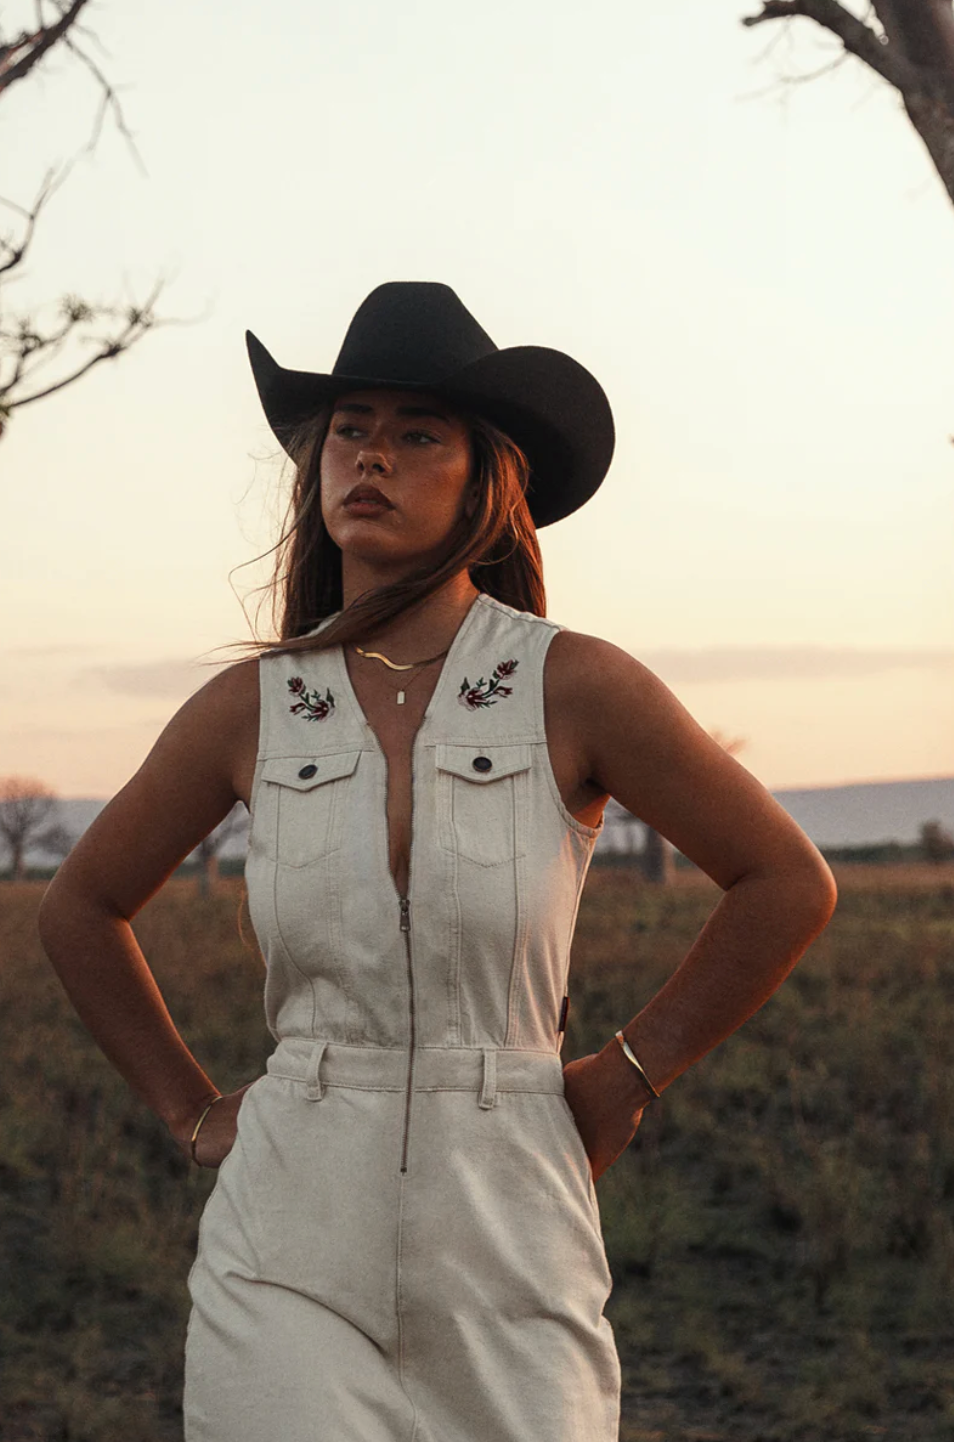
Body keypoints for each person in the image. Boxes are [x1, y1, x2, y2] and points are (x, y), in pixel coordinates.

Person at [37, 281, 838, 1442]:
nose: (373, 455)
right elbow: (81, 905)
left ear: (486, 478)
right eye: (350, 428)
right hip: (286, 1243)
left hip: (513, 1227)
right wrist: (191, 1110)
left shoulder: (578, 684)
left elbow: (787, 883)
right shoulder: (251, 706)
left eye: (419, 432)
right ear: (316, 469)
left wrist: (626, 1073)